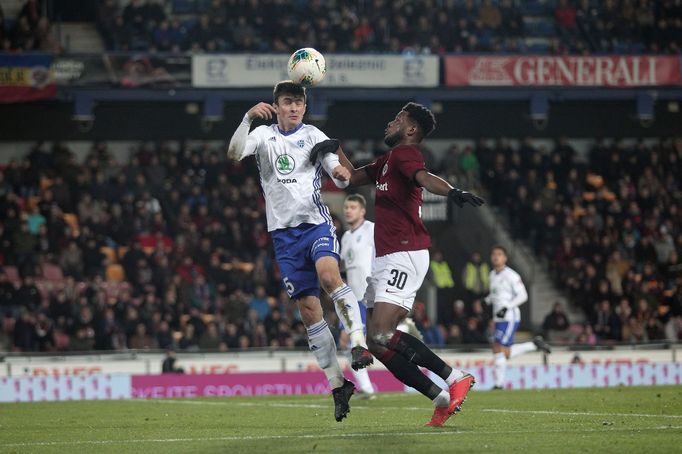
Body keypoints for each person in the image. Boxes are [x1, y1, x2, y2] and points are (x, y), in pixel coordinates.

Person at [329, 102, 484, 427]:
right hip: (388, 257)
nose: (390, 122)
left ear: (411, 130)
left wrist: (452, 191)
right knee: (375, 341)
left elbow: (424, 177)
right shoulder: (387, 161)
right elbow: (350, 178)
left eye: (397, 119)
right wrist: (333, 150)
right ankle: (440, 398)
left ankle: (455, 376)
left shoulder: (405, 154)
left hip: (405, 252)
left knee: (383, 334)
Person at [227, 81, 372, 422]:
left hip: (315, 225)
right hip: (283, 235)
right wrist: (247, 117)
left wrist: (338, 171)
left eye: (298, 103)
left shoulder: (314, 135)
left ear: (304, 108)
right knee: (309, 311)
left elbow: (339, 174)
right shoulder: (263, 135)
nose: (293, 107)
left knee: (328, 276)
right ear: (276, 107)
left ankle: (358, 342)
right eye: (287, 102)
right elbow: (234, 153)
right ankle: (339, 386)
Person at [485, 245, 551, 390]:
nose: (496, 257)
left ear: (505, 258)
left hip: (509, 317)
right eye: (494, 254)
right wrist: (487, 300)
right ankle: (534, 344)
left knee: (498, 348)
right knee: (503, 351)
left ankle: (498, 384)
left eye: (499, 254)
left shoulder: (512, 275)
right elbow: (496, 295)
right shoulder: (492, 275)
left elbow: (523, 296)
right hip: (498, 318)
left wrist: (507, 307)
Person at [339, 194, 376, 399]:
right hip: (353, 299)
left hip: (369, 296)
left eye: (352, 207)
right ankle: (366, 388)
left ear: (362, 211)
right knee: (348, 341)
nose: (348, 210)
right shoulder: (345, 237)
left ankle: (367, 388)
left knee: (353, 340)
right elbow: (344, 265)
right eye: (346, 207)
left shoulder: (371, 229)